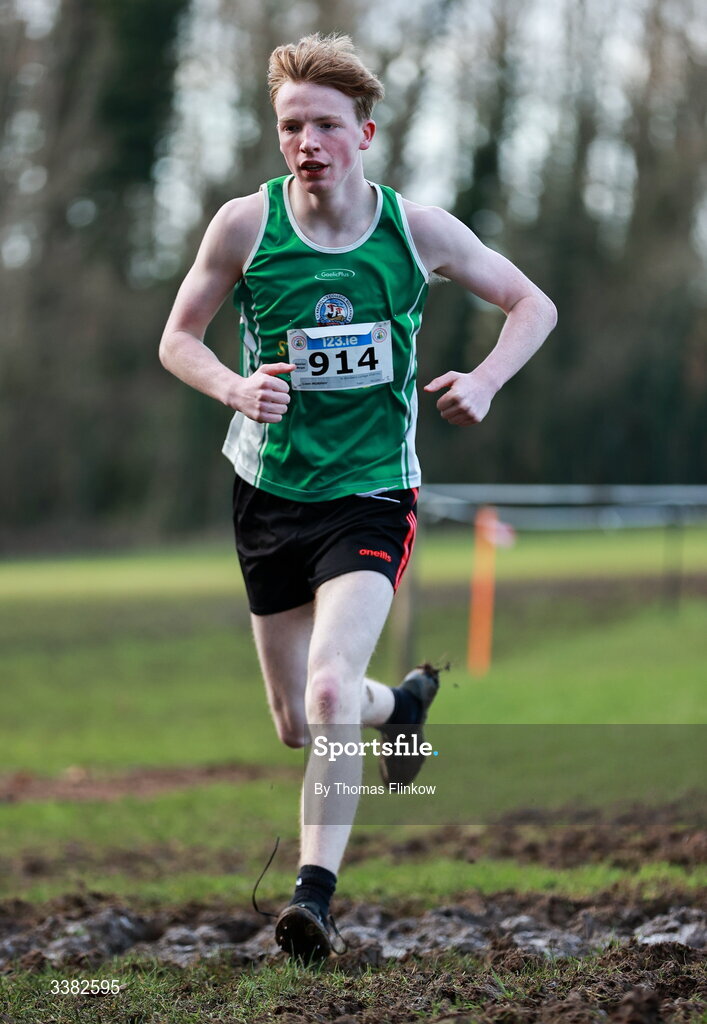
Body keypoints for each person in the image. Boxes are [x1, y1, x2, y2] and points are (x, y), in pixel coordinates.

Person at [159, 32, 557, 963]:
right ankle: (401, 706)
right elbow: (179, 338)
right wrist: (232, 386)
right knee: (301, 721)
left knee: (329, 684)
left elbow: (530, 303)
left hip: (374, 495)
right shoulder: (242, 227)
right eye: (292, 125)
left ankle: (313, 902)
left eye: (326, 126)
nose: (308, 143)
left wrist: (489, 381)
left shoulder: (415, 230)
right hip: (268, 493)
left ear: (364, 133)